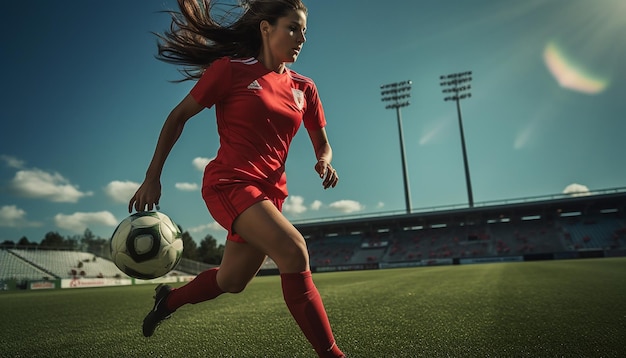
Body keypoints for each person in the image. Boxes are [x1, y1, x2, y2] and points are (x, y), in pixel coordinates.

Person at [127, 1, 345, 357]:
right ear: (265, 28)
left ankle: (168, 301)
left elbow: (324, 145)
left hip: (270, 196)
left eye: (304, 30)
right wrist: (153, 177)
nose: (301, 38)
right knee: (294, 251)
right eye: (293, 28)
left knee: (232, 281)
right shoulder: (229, 71)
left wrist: (323, 161)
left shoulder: (305, 88)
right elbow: (178, 116)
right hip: (229, 184)